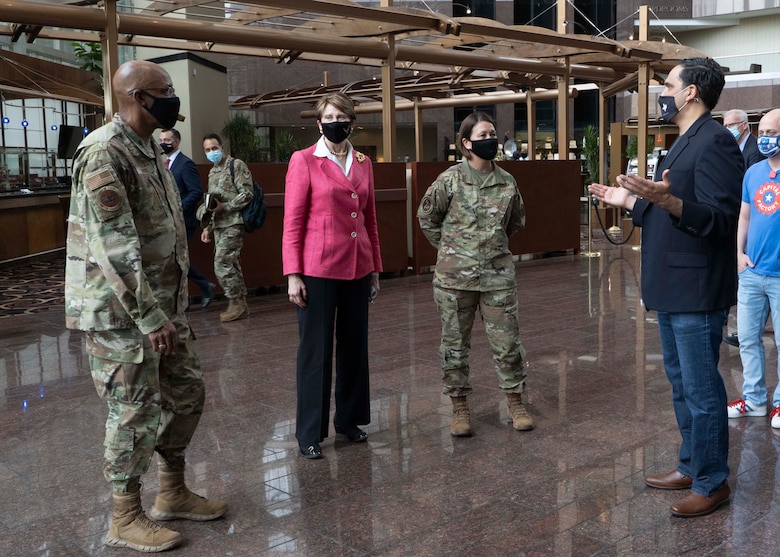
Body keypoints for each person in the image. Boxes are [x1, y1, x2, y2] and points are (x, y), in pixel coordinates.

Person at [65, 60, 227, 553]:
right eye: (165, 92)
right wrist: (150, 315)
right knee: (132, 411)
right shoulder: (102, 153)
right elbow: (114, 246)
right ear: (136, 96)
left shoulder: (148, 147)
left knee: (186, 393)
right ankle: (124, 516)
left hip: (162, 305)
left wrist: (167, 308)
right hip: (122, 314)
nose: (173, 99)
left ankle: (172, 492)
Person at [588, 57, 743, 518]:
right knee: (681, 385)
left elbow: (719, 218)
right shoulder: (682, 142)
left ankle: (713, 482)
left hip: (697, 288)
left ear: (691, 92)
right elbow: (670, 208)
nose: (663, 91)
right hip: (673, 285)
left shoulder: (715, 142)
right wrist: (632, 201)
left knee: (701, 389)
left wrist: (666, 199)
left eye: (669, 84)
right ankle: (692, 465)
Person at [417, 111, 532, 437]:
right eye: (482, 136)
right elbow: (427, 219)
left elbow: (515, 223)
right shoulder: (449, 180)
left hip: (497, 278)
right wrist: (452, 251)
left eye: (492, 134)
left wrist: (488, 251)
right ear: (466, 143)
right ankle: (459, 408)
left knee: (507, 344)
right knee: (455, 346)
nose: (490, 140)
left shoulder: (507, 182)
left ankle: (515, 402)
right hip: (455, 281)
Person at [282, 92, 382, 459]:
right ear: (318, 123)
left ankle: (349, 420)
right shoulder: (304, 160)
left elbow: (370, 219)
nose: (335, 121)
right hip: (317, 269)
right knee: (316, 353)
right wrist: (293, 273)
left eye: (342, 115)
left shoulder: (364, 162)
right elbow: (292, 222)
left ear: (352, 122)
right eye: (329, 116)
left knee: (355, 348)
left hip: (357, 266)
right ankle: (309, 432)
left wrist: (375, 268)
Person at [726, 108, 780, 426]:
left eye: (772, 132)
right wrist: (738, 254)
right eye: (762, 132)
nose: (765, 138)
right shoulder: (753, 173)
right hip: (752, 272)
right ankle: (755, 400)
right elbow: (744, 216)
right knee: (747, 338)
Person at [722, 109, 766, 347]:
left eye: (732, 124)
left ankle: (749, 329)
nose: (728, 128)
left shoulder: (756, 150)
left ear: (745, 126)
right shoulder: (733, 149)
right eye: (725, 124)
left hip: (755, 219)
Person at [198, 133, 252, 322]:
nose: (211, 152)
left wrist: (227, 207)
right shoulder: (212, 172)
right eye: (207, 150)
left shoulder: (235, 165)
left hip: (234, 222)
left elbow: (247, 193)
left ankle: (235, 301)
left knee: (222, 262)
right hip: (219, 224)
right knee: (232, 263)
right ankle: (240, 303)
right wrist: (208, 227)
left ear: (222, 147)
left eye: (214, 148)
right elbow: (212, 203)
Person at [159, 128, 215, 309]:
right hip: (168, 220)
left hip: (185, 220)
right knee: (174, 258)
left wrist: (178, 208)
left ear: (176, 142)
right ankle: (187, 295)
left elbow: (196, 191)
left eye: (166, 140)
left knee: (177, 257)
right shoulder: (164, 163)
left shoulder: (185, 164)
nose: (163, 143)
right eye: (160, 139)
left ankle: (202, 287)